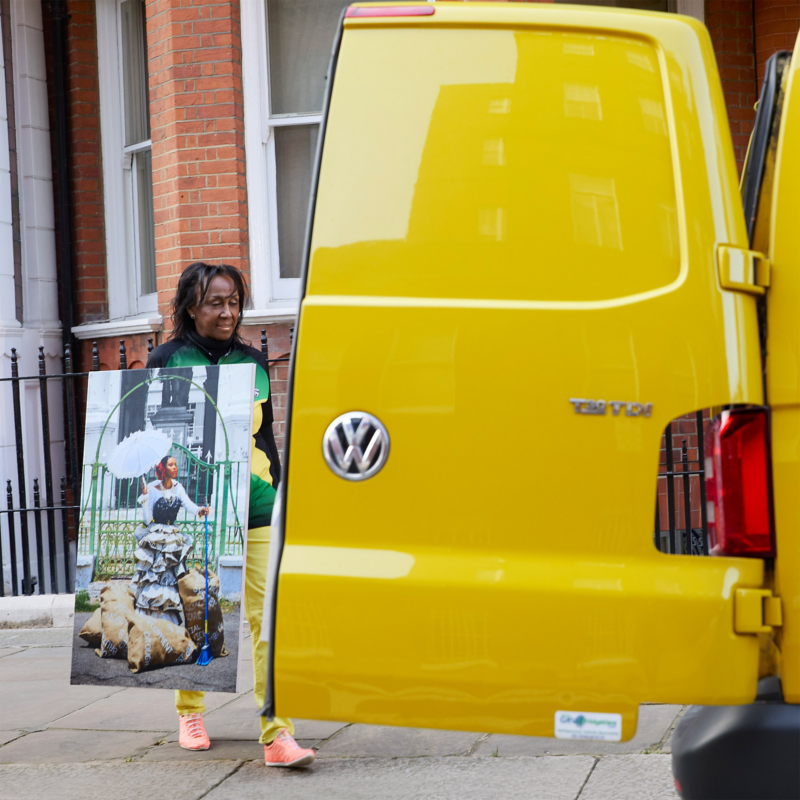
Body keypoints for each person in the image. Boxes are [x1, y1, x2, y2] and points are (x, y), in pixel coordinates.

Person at [147, 262, 314, 768]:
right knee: (198, 607)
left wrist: (281, 495)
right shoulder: (166, 359)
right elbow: (158, 439)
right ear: (191, 307)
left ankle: (277, 732)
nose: (228, 312)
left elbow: (264, 438)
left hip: (257, 504)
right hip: (196, 506)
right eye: (216, 303)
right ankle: (190, 711)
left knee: (269, 622)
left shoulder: (252, 361)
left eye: (234, 302)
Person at [132, 455, 209, 625]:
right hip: (155, 535)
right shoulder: (151, 488)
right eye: (171, 465)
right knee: (153, 576)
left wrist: (200, 510)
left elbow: (189, 505)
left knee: (169, 577)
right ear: (163, 469)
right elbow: (146, 519)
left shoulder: (178, 487)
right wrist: (145, 498)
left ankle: (168, 621)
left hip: (172, 538)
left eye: (175, 465)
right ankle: (149, 619)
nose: (175, 468)